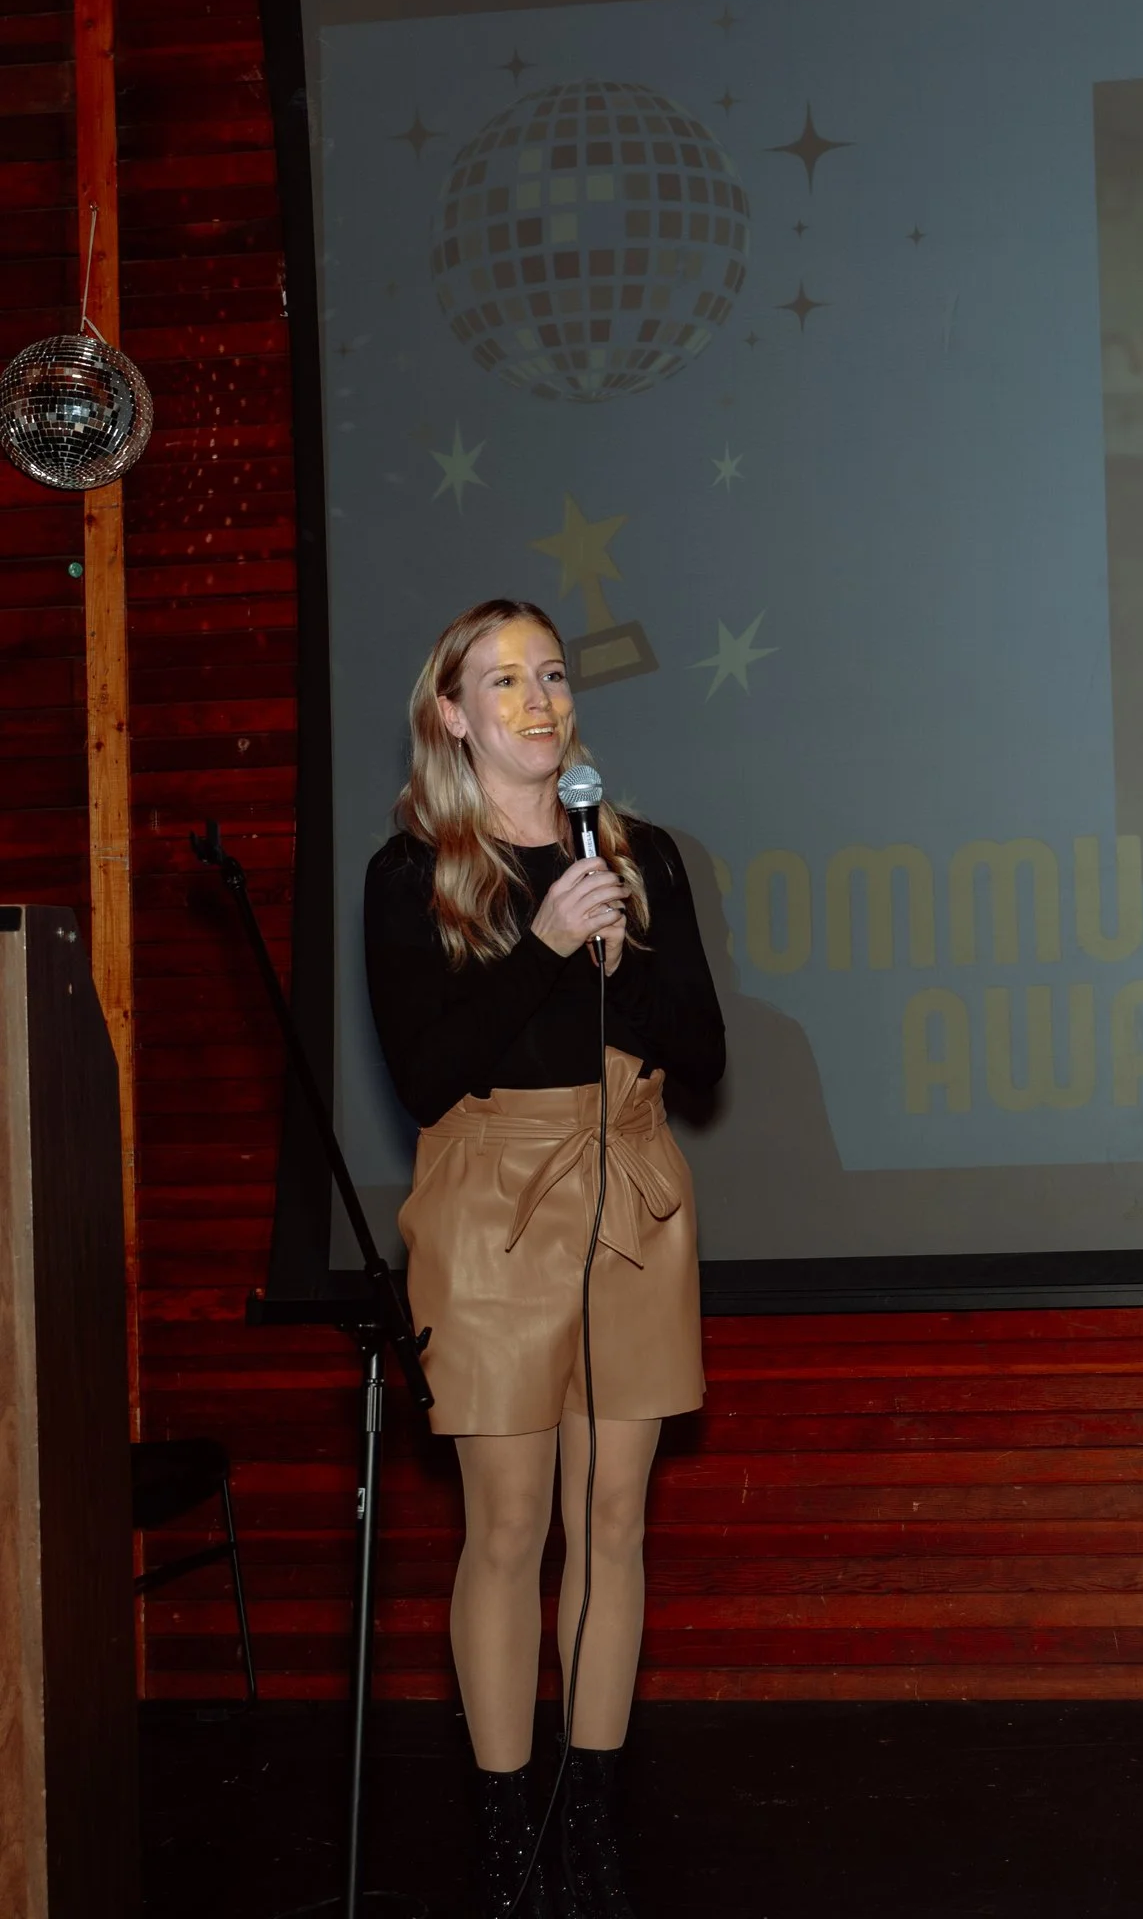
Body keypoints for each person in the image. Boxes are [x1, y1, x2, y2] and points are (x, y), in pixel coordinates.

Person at [365, 599, 724, 1918]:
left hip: (631, 1188)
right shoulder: (412, 878)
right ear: (450, 715)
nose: (538, 697)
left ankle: (595, 1817)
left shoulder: (643, 860)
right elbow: (429, 1069)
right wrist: (546, 945)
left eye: (555, 674)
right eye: (501, 679)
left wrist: (619, 959)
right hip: (492, 1205)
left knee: (614, 1521)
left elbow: (708, 1059)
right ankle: (506, 1825)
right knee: (509, 1526)